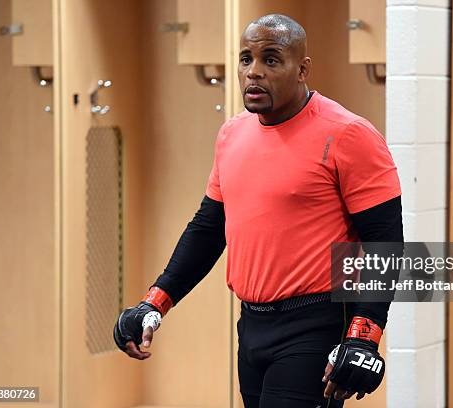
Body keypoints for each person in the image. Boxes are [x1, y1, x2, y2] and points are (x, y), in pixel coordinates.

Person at [114, 14, 403, 408]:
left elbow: (385, 242)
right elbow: (208, 229)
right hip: (251, 327)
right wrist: (155, 302)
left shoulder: (349, 134)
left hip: (314, 327)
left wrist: (364, 334)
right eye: (245, 59)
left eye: (271, 59)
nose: (254, 73)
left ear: (302, 69)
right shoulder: (232, 134)